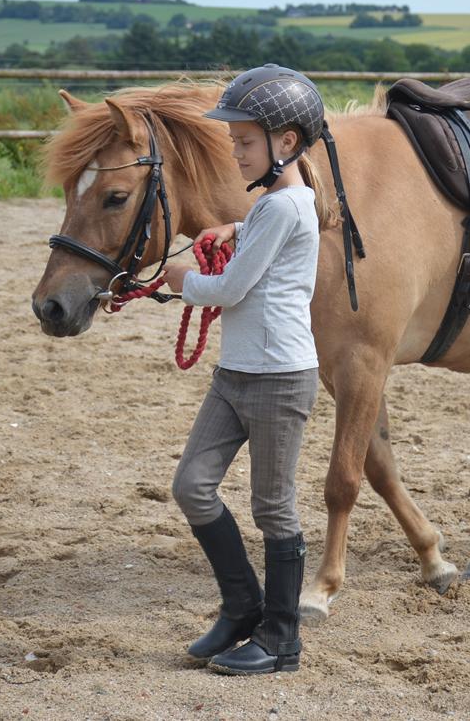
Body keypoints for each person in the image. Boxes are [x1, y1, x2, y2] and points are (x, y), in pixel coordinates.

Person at [161, 64, 336, 676]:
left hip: (278, 377)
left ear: (286, 142)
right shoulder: (273, 205)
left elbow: (231, 288)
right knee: (192, 486)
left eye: (244, 142)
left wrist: (182, 280)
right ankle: (242, 606)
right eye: (233, 141)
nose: (234, 153)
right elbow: (261, 234)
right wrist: (233, 224)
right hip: (237, 372)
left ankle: (282, 640)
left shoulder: (286, 209)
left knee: (273, 509)